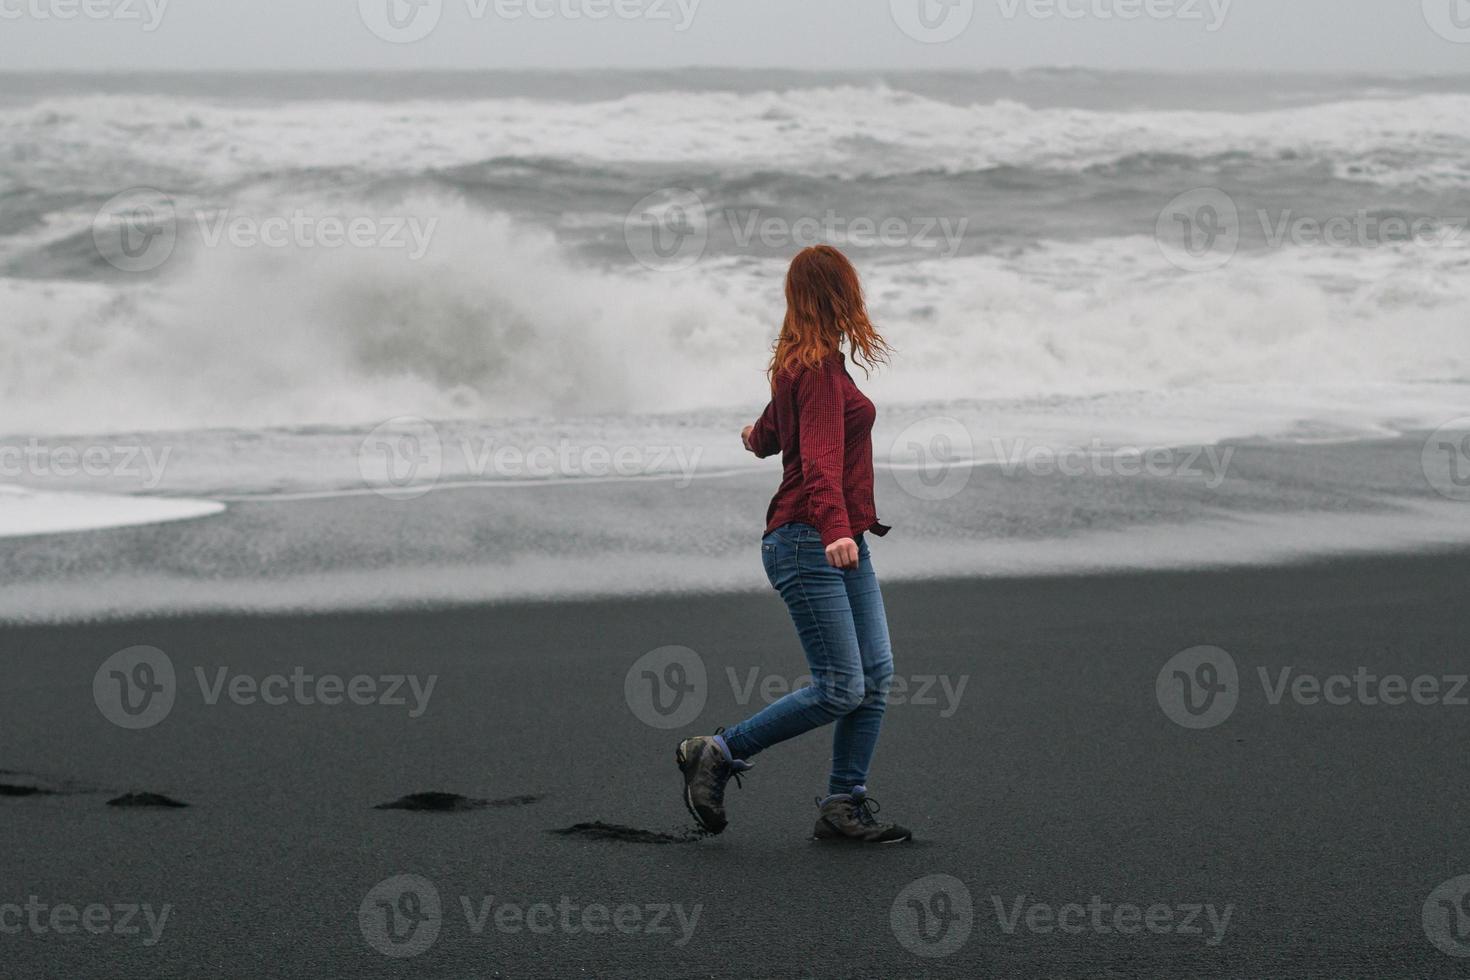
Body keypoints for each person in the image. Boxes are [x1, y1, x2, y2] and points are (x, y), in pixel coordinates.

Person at [676, 245, 911, 844]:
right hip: (811, 540)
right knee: (841, 685)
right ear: (838, 293)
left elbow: (781, 432)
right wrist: (834, 527)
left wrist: (757, 436)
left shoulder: (802, 362)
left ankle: (842, 801)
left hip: (836, 536)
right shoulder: (816, 368)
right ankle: (719, 751)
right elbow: (823, 456)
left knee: (875, 674)